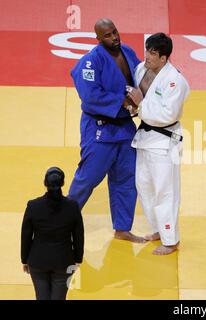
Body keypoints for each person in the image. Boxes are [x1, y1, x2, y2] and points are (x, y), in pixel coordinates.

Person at [68, 18, 145, 243]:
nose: (114, 37)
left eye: (115, 32)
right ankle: (62, 224)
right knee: (87, 178)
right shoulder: (90, 62)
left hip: (124, 127)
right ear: (99, 39)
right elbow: (90, 96)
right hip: (99, 128)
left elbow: (140, 78)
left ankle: (122, 228)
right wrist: (121, 101)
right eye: (108, 35)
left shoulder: (128, 52)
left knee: (126, 178)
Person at [127, 33, 190, 255]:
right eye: (147, 50)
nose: (147, 56)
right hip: (144, 138)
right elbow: (136, 96)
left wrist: (140, 104)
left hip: (164, 141)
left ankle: (171, 240)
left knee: (165, 191)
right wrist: (133, 107)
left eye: (153, 53)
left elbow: (167, 114)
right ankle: (158, 229)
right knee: (143, 185)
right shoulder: (141, 69)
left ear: (164, 58)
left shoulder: (175, 81)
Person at [21, 167, 84, 300]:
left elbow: (26, 235)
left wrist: (25, 259)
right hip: (64, 261)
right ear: (63, 183)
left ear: (45, 183)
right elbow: (78, 236)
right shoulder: (73, 207)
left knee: (41, 297)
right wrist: (78, 259)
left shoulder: (33, 206)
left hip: (38, 261)